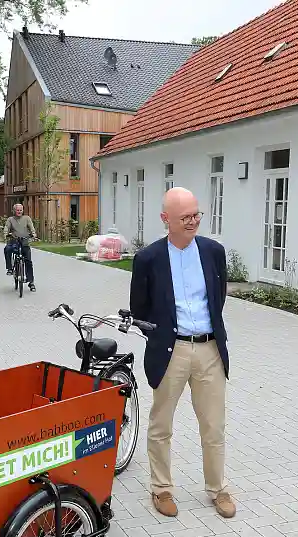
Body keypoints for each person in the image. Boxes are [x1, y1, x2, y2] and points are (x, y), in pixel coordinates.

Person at [129, 187, 234, 518]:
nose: (193, 222)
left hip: (209, 349)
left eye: (196, 215)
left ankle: (218, 489)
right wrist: (162, 336)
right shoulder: (148, 259)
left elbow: (218, 297)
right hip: (170, 351)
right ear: (165, 220)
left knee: (214, 426)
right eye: (185, 217)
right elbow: (140, 309)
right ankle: (161, 489)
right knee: (161, 425)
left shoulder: (213, 252)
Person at [4, 203, 37, 291]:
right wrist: (6, 234)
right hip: (14, 241)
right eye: (17, 210)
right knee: (7, 249)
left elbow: (31, 227)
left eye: (20, 210)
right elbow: (6, 228)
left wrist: (33, 234)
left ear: (23, 210)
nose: (19, 212)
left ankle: (31, 282)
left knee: (28, 261)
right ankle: (10, 268)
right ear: (14, 211)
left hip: (25, 242)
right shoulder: (10, 219)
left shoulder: (27, 218)